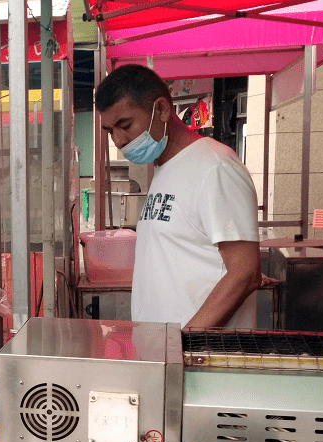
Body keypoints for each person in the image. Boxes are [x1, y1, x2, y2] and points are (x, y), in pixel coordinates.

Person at [95, 65, 262, 330]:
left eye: (124, 125)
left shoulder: (215, 167)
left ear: (161, 109)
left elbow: (245, 272)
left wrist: (184, 342)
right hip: (166, 351)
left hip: (201, 356)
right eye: (109, 131)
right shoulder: (165, 167)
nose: (118, 140)